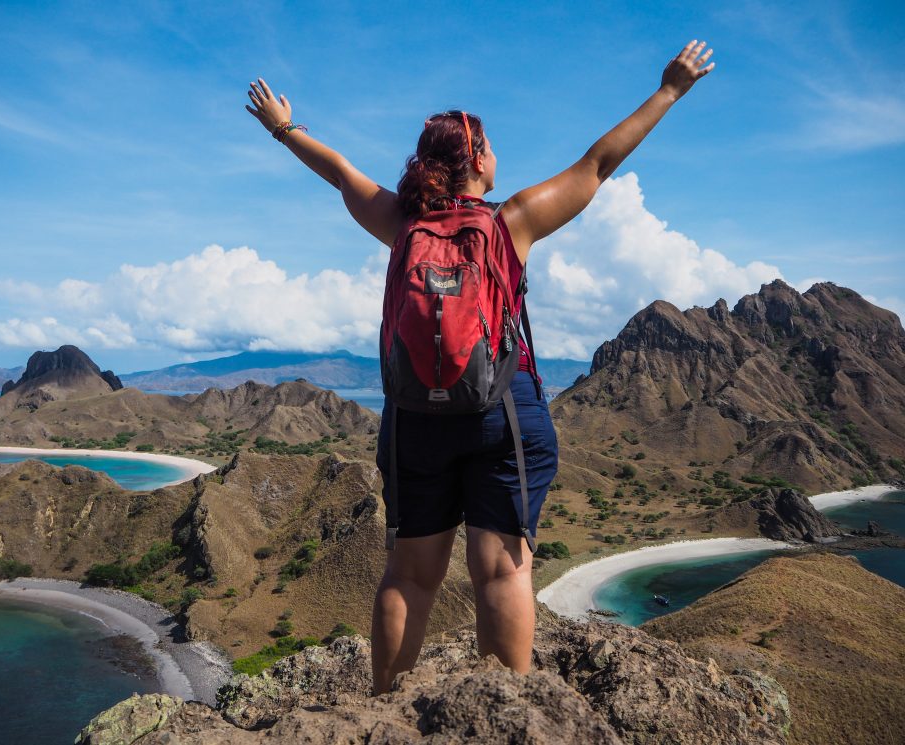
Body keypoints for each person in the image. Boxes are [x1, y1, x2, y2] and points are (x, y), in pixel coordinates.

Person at [246, 39, 714, 694]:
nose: (496, 154)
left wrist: (284, 129)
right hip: (503, 412)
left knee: (409, 576)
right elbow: (598, 163)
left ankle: (384, 706)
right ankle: (506, 711)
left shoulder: (400, 223)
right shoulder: (511, 222)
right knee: (501, 572)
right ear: (477, 160)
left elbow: (340, 172)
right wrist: (668, 91)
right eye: (490, 145)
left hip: (415, 418)